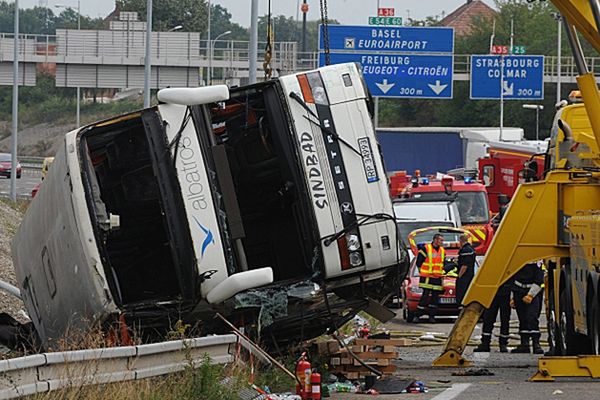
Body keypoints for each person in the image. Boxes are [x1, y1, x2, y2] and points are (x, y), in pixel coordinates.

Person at [511, 262, 545, 354]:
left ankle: (536, 344)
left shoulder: (537, 262)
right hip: (518, 291)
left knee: (532, 317)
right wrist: (513, 297)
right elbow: (511, 276)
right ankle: (524, 344)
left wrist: (531, 295)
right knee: (522, 318)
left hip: (533, 292)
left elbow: (539, 280)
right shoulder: (517, 260)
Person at [473, 281, 512, 353]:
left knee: (504, 319)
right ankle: (487, 343)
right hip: (494, 292)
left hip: (502, 292)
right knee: (489, 319)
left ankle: (501, 343)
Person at [415, 234, 445, 323]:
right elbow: (419, 262)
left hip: (437, 277)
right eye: (441, 240)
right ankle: (418, 316)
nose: (442, 242)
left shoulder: (442, 251)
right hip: (427, 277)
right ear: (435, 240)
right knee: (424, 297)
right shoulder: (426, 248)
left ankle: (432, 316)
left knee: (435, 298)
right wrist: (423, 272)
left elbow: (443, 263)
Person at [455, 234, 476, 306]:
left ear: (460, 241)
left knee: (462, 295)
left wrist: (459, 276)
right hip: (470, 275)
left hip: (465, 277)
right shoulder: (471, 248)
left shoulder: (465, 250)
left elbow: (464, 266)